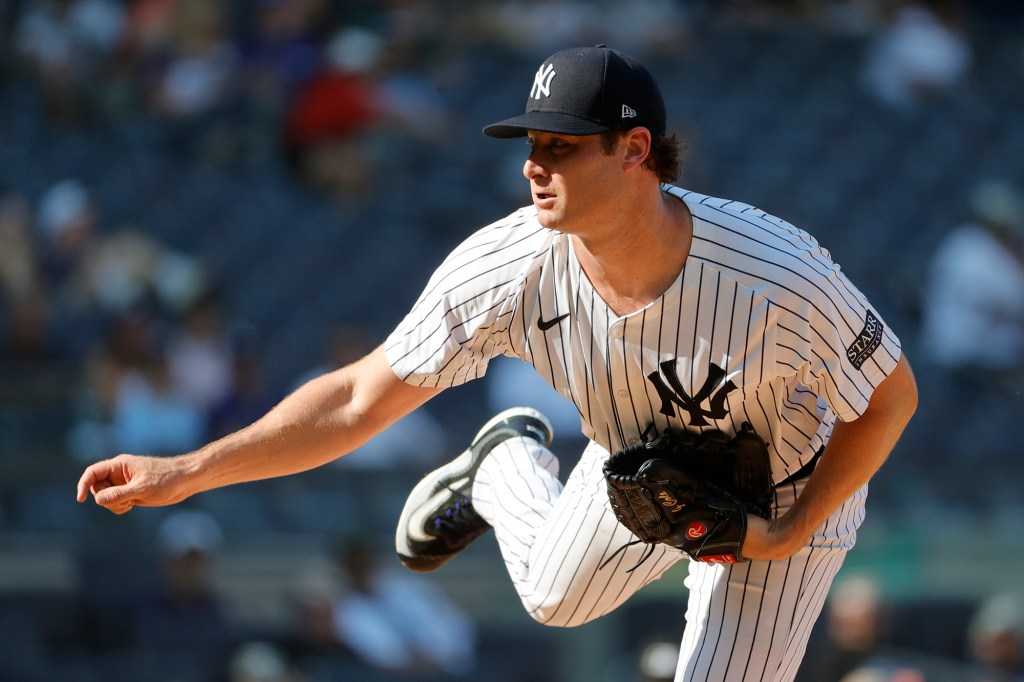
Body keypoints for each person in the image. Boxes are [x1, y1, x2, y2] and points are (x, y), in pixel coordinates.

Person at [77, 45, 918, 681]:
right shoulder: (509, 265)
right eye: (531, 142)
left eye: (561, 145)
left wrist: (792, 530)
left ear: (633, 150)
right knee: (556, 599)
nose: (532, 164)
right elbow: (356, 400)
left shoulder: (775, 272)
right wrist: (190, 470)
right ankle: (502, 462)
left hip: (793, 488)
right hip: (643, 460)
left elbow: (889, 400)